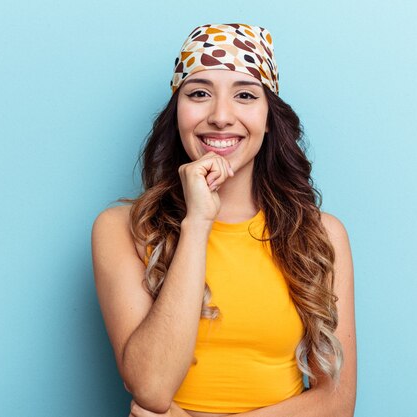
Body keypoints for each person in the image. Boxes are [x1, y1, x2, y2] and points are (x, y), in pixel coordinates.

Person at [91, 23, 356, 417]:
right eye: (199, 94)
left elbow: (336, 403)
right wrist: (197, 223)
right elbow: (151, 387)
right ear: (176, 113)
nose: (220, 116)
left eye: (245, 95)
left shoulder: (320, 235)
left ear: (269, 119)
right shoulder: (122, 228)